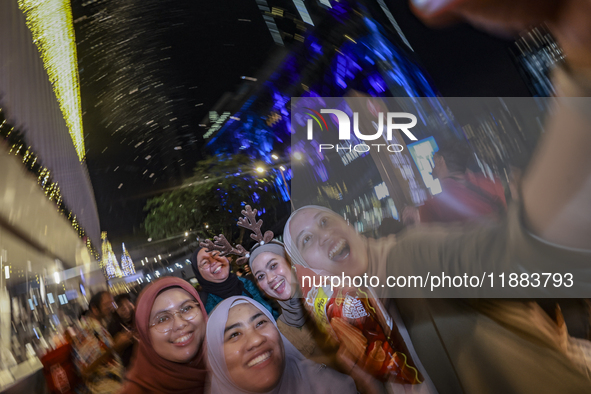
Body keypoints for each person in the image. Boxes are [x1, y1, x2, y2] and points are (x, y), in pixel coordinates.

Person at [206, 296, 358, 394]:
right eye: (234, 334)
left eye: (260, 323)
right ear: (216, 360)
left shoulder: (331, 386)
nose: (256, 340)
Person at [249, 241, 337, 361]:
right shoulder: (279, 332)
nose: (270, 279)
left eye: (273, 266)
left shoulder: (332, 295)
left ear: (291, 263)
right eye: (260, 276)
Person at [119, 277, 208, 394]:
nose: (180, 324)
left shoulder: (229, 359)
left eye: (187, 308)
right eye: (162, 319)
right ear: (146, 335)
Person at [417, 142, 506, 223]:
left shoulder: (432, 206)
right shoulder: (493, 182)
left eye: (433, 160)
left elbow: (430, 238)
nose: (431, 168)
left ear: (440, 160)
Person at [190, 246, 279, 318]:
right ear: (199, 274)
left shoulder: (253, 283)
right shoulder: (204, 308)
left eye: (215, 254)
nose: (213, 261)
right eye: (205, 262)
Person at [73, 291, 132, 394]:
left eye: (112, 303)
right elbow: (85, 370)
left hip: (116, 385)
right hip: (103, 389)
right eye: (107, 305)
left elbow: (105, 356)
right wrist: (115, 348)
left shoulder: (99, 326)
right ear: (95, 309)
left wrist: (119, 346)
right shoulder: (85, 329)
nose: (112, 308)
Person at [107, 294, 135, 369]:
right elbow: (114, 354)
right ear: (115, 310)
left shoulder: (139, 317)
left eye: (127, 305)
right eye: (121, 307)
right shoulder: (113, 328)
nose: (126, 309)